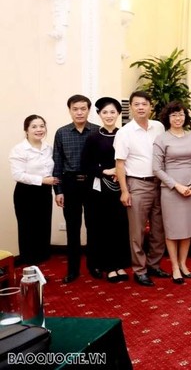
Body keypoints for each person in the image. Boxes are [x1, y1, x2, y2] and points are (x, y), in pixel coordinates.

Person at [115, 90, 170, 287]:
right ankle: (140, 270)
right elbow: (120, 164)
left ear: (150, 107)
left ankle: (154, 264)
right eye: (136, 104)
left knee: (159, 228)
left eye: (144, 104)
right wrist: (124, 191)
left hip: (160, 183)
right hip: (137, 184)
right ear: (131, 107)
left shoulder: (159, 127)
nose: (140, 107)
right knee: (137, 232)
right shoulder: (124, 132)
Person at [80, 97, 131, 283]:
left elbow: (131, 158)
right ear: (99, 114)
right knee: (102, 228)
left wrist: (121, 172)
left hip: (121, 187)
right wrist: (105, 171)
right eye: (105, 112)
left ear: (118, 114)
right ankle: (108, 266)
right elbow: (85, 165)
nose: (109, 115)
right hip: (99, 190)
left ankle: (120, 265)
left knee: (120, 227)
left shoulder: (124, 135)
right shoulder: (93, 137)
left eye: (112, 112)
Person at [153, 101, 191, 284]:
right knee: (173, 230)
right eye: (174, 115)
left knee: (187, 229)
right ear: (167, 117)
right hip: (171, 191)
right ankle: (174, 266)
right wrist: (176, 186)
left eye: (181, 114)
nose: (178, 118)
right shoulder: (161, 139)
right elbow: (156, 169)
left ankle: (183, 264)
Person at [53, 94, 100, 283]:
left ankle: (94, 265)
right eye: (75, 109)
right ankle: (72, 270)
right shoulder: (61, 133)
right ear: (70, 110)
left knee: (94, 226)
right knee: (72, 228)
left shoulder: (97, 131)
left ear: (88, 110)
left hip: (92, 182)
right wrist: (58, 191)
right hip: (70, 183)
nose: (79, 112)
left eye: (83, 109)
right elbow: (57, 162)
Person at [9, 115, 58, 266]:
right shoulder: (19, 149)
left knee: (43, 228)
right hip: (26, 193)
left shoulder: (48, 148)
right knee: (28, 230)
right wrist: (42, 180)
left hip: (44, 193)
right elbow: (17, 175)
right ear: (26, 130)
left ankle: (41, 264)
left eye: (42, 126)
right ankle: (29, 264)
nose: (39, 129)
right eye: (34, 127)